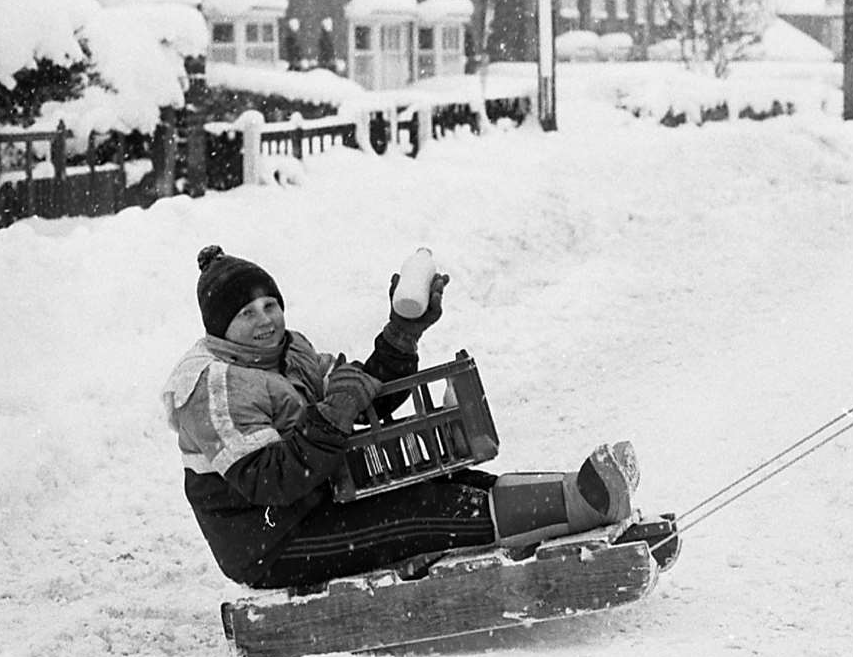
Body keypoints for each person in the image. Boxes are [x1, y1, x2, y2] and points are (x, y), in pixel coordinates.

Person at [163, 246, 637, 590]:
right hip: (270, 540)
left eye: (271, 305)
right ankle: (581, 508)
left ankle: (577, 494)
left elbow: (360, 401)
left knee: (450, 485)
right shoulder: (214, 388)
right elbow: (271, 482)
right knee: (418, 517)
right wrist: (335, 411)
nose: (265, 320)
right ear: (220, 328)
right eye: (246, 313)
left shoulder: (288, 352)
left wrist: (401, 333)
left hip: (322, 496)